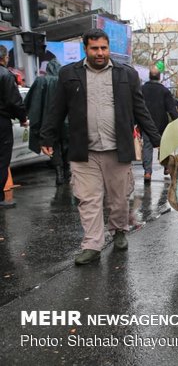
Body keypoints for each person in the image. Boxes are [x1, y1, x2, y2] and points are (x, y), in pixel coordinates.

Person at [40, 28, 161, 265]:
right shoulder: (69, 74)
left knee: (118, 198)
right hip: (84, 150)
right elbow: (57, 109)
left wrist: (157, 140)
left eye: (103, 48)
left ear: (108, 49)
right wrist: (47, 137)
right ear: (86, 49)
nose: (99, 53)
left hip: (118, 148)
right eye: (94, 48)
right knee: (88, 199)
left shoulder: (126, 74)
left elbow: (140, 109)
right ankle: (92, 245)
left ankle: (118, 230)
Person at [24, 58, 69, 185]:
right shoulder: (64, 81)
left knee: (52, 146)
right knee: (66, 145)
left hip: (47, 121)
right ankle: (67, 171)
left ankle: (59, 173)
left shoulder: (41, 81)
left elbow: (32, 101)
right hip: (65, 121)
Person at [140, 65, 178, 183]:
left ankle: (147, 172)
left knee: (147, 147)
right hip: (162, 123)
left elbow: (137, 106)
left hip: (146, 122)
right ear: (159, 77)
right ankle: (166, 166)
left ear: (149, 76)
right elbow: (171, 109)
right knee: (164, 145)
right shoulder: (164, 91)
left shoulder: (142, 89)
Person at [0, 45, 28, 208]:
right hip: (2, 123)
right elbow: (14, 101)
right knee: (2, 160)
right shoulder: (5, 75)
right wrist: (22, 118)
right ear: (5, 58)